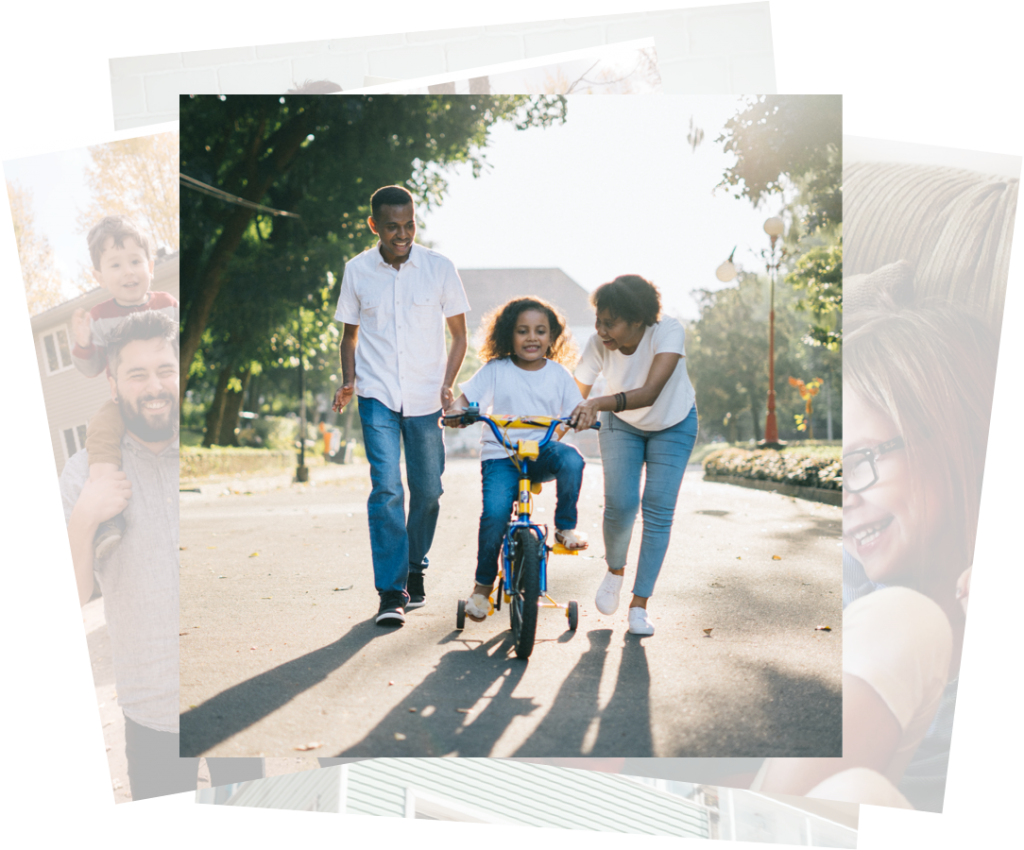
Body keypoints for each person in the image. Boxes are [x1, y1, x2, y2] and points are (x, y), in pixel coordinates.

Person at [754, 295, 994, 810]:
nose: (844, 497)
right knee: (900, 621)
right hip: (817, 815)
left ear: (969, 437)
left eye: (861, 460)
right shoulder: (850, 587)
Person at [61, 311, 262, 800]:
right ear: (112, 384)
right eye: (137, 375)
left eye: (165, 371)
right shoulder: (83, 474)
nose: (155, 386)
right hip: (151, 715)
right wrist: (86, 517)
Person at [332, 185, 469, 626]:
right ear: (375, 226)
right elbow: (349, 335)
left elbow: (460, 335)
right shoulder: (357, 271)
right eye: (392, 227)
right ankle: (391, 592)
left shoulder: (439, 268)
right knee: (388, 489)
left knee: (428, 491)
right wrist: (349, 381)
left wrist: (448, 384)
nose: (403, 234)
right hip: (377, 396)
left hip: (428, 397)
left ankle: (415, 567)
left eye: (409, 224)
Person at [570, 274, 698, 636]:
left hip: (673, 422)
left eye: (610, 322)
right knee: (621, 504)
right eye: (598, 320)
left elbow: (651, 391)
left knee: (657, 508)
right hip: (621, 425)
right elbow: (572, 395)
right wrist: (551, 430)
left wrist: (596, 402)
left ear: (638, 320)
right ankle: (614, 571)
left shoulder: (667, 332)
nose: (601, 330)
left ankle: (639, 605)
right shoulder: (598, 344)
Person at [446, 297, 587, 621]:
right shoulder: (496, 369)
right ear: (510, 335)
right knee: (495, 515)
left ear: (552, 337)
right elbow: (464, 401)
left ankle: (565, 527)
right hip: (501, 456)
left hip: (540, 452)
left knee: (573, 460)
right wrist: (456, 412)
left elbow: (575, 410)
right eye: (523, 331)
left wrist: (581, 417)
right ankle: (482, 588)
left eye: (540, 331)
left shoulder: (559, 374)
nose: (532, 338)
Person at [70, 215, 179, 560]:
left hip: (167, 393)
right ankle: (108, 518)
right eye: (116, 265)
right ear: (100, 277)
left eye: (135, 261)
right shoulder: (100, 317)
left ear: (150, 265)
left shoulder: (167, 304)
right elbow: (91, 369)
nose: (129, 271)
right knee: (100, 430)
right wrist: (85, 344)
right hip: (123, 402)